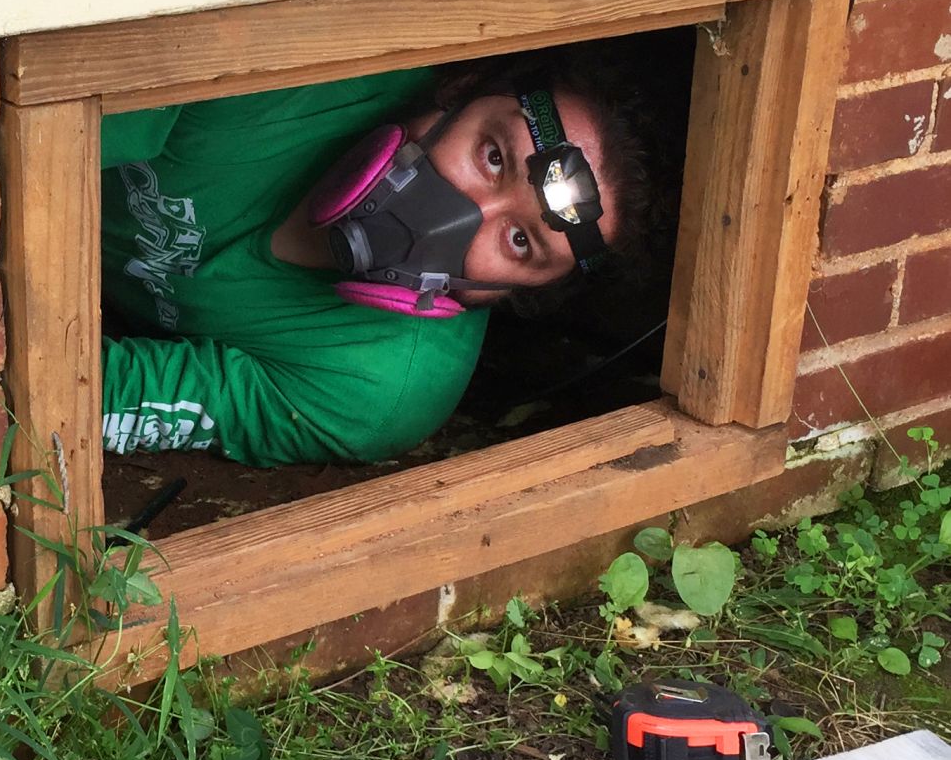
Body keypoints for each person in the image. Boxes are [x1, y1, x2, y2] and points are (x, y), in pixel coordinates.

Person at [99, 44, 667, 468]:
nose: (463, 213)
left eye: (520, 242)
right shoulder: (289, 71)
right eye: (493, 156)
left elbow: (94, 393)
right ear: (459, 90)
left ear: (514, 295)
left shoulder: (380, 390)